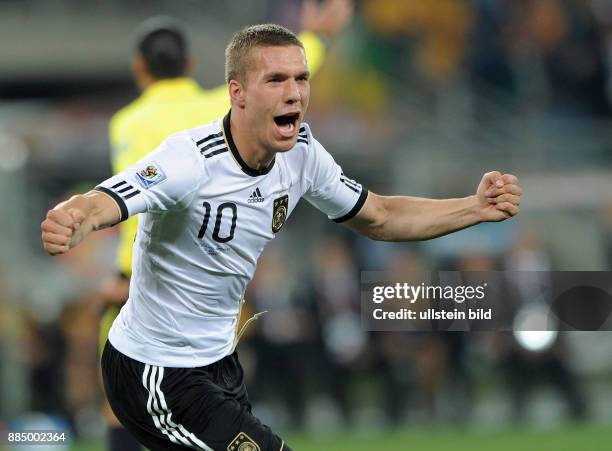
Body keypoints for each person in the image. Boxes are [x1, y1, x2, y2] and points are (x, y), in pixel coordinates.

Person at [42, 24, 522, 451]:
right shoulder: (189, 159)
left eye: (301, 78)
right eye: (276, 80)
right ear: (238, 93)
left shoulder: (302, 155)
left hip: (217, 366)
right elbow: (107, 199)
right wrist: (73, 217)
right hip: (154, 371)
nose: (294, 93)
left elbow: (379, 215)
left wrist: (473, 208)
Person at [97, 3, 353, 450]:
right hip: (201, 290)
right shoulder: (218, 106)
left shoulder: (127, 123)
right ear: (193, 65)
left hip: (135, 281)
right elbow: (279, 78)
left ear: (140, 68)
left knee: (126, 413)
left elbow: (124, 203)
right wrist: (320, 38)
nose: (290, 89)